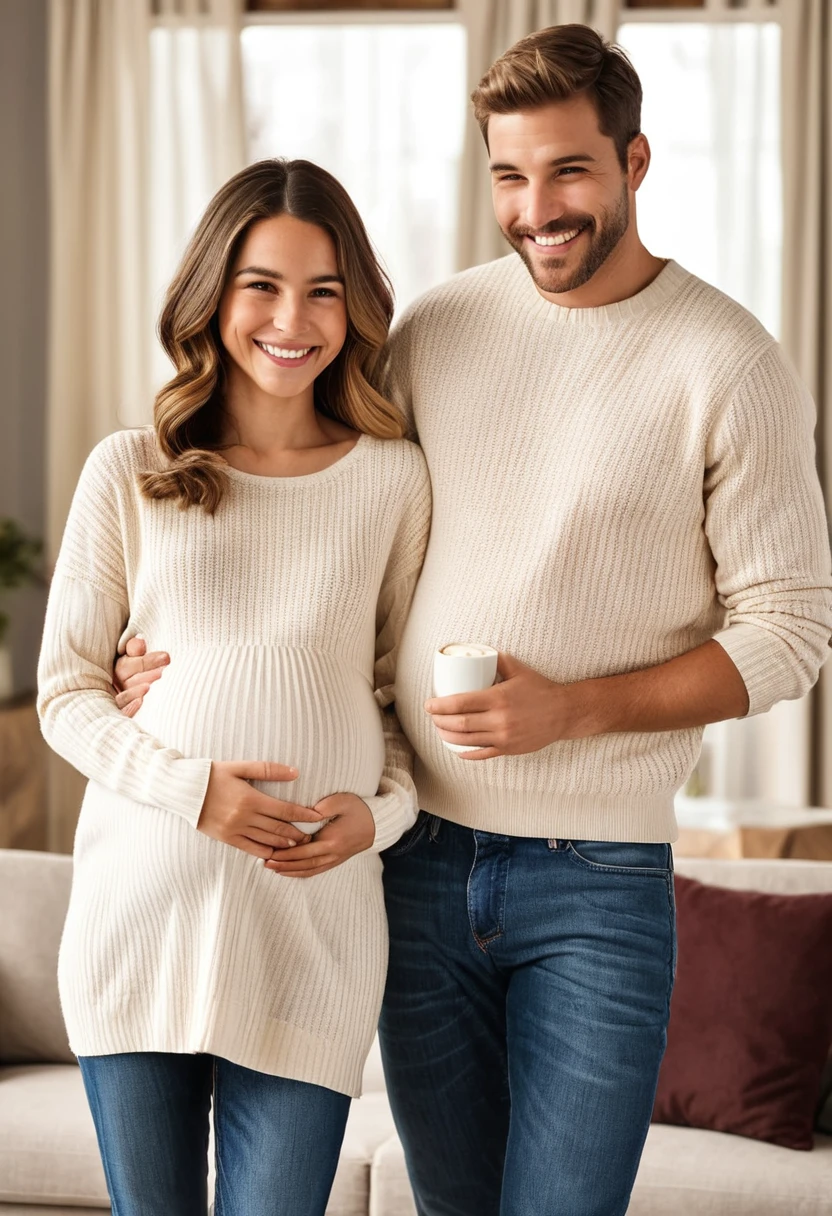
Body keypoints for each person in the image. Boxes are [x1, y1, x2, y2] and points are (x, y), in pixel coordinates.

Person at [116, 24, 832, 1216]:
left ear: (635, 163)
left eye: (567, 171)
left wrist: (571, 709)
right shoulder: (437, 331)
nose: (536, 207)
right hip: (413, 861)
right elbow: (310, 499)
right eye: (509, 175)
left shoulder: (729, 362)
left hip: (597, 885)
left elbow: (793, 627)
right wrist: (167, 645)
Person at [38, 158, 430, 1216]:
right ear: (214, 292)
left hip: (313, 933)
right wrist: (193, 791)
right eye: (261, 283)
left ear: (355, 306)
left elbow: (401, 697)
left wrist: (383, 813)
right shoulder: (130, 469)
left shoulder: (393, 478)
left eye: (322, 289)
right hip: (140, 914)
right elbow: (66, 693)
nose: (290, 318)